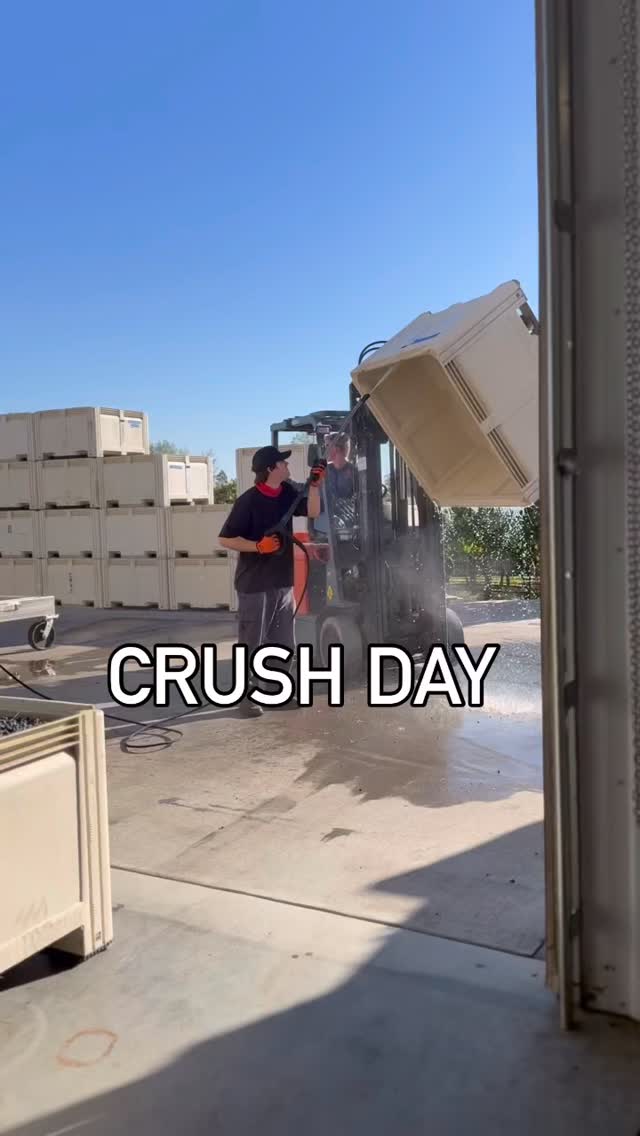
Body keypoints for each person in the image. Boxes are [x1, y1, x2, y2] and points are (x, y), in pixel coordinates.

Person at [218, 444, 325, 717]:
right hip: (254, 584)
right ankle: (246, 697)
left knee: (283, 642)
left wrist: (314, 485)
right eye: (283, 463)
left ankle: (279, 693)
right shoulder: (248, 501)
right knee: (253, 642)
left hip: (282, 581)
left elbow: (312, 511)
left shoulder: (287, 492)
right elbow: (225, 538)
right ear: (270, 469)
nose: (288, 467)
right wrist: (258, 546)